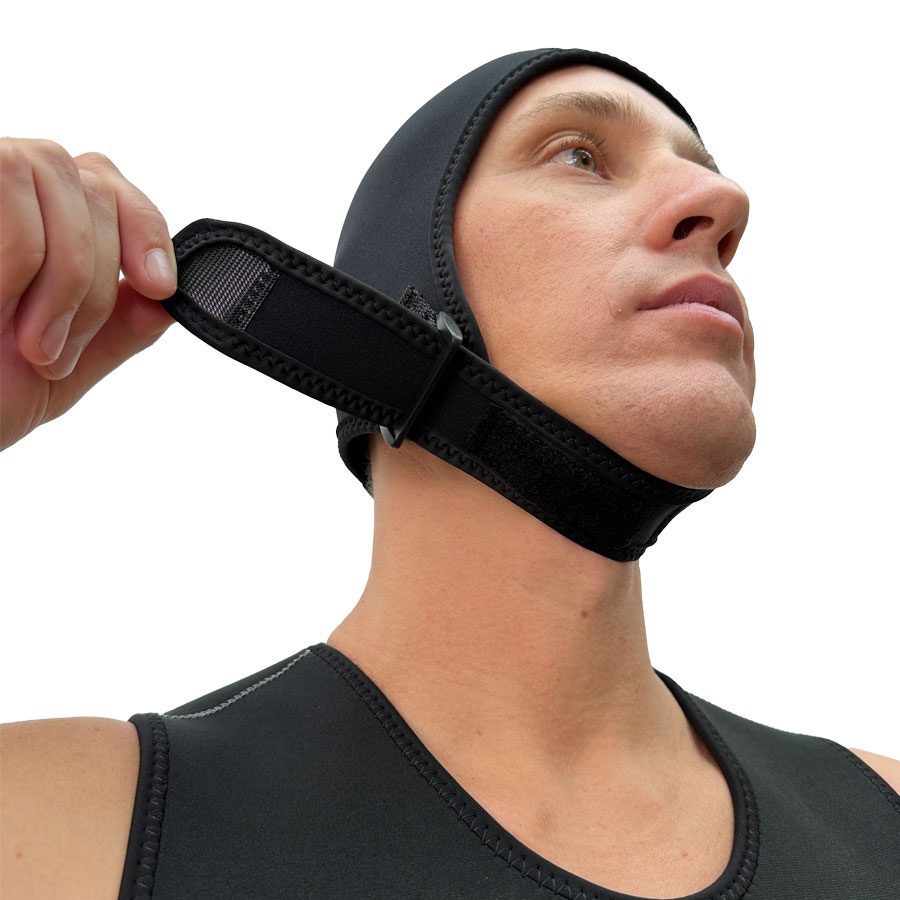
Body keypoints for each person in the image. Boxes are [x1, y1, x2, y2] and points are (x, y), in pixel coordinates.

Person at [2, 48, 898, 899]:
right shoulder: (71, 828)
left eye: (704, 171)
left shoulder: (884, 816)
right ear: (406, 300)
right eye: (581, 156)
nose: (722, 202)